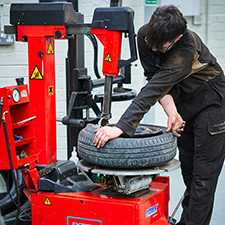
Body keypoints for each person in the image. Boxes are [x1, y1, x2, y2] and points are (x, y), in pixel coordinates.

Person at [94, 5, 225, 225]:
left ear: (177, 37)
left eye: (160, 46)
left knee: (203, 179)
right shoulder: (146, 36)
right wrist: (172, 111)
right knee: (189, 171)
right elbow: (153, 77)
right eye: (151, 43)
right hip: (184, 103)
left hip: (211, 103)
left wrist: (122, 126)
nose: (153, 49)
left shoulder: (186, 46)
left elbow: (157, 87)